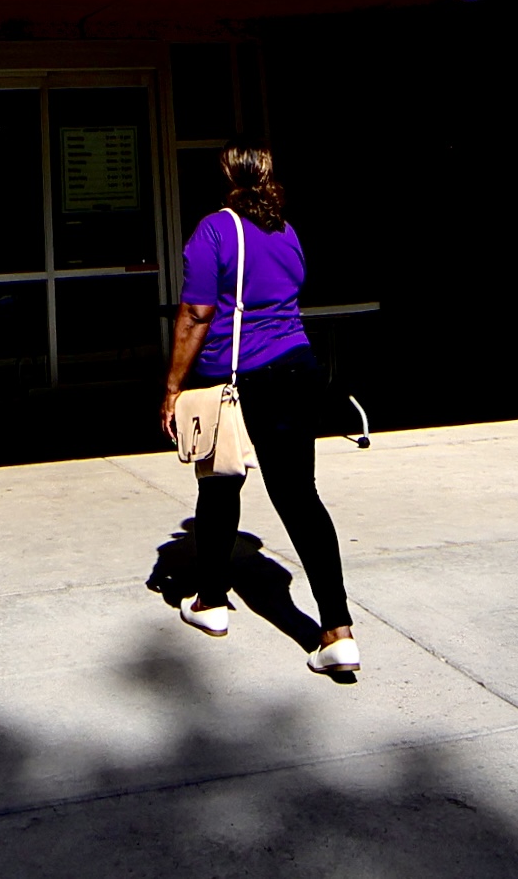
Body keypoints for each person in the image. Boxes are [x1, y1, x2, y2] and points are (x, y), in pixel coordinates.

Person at [159, 141, 358, 674]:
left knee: (220, 486)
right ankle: (337, 630)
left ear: (225, 176)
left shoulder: (215, 230)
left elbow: (197, 313)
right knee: (299, 496)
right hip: (299, 368)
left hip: (240, 377)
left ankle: (211, 602)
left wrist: (174, 385)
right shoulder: (285, 232)